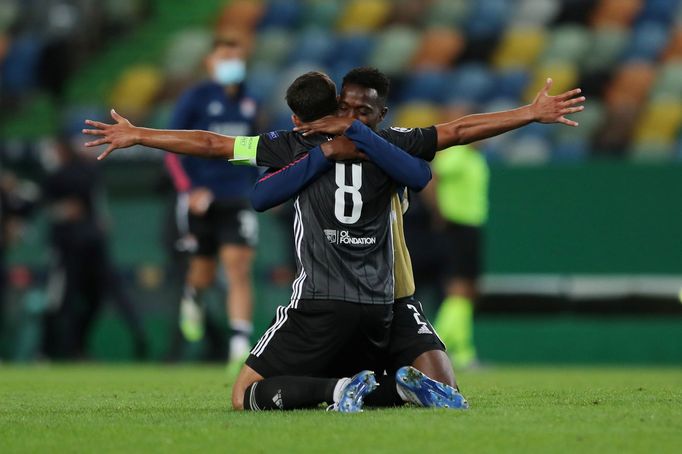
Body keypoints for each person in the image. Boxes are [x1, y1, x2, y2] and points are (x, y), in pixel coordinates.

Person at [82, 69, 585, 410]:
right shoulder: (384, 144)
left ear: (378, 114)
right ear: (338, 105)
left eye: (362, 111)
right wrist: (528, 114)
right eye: (348, 107)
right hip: (376, 299)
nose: (353, 115)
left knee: (438, 388)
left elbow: (216, 148)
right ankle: (373, 389)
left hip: (359, 299)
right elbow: (454, 134)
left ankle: (350, 388)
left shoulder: (300, 144)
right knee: (435, 383)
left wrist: (140, 135)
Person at [163, 33, 260, 365]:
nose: (231, 64)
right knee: (203, 272)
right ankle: (194, 297)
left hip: (236, 196)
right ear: (209, 62)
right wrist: (188, 190)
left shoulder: (250, 102)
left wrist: (258, 185)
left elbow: (255, 150)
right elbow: (172, 150)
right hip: (200, 197)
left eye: (236, 58)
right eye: (224, 58)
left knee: (238, 267)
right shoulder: (195, 98)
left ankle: (240, 344)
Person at [42, 138, 147, 359]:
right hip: (86, 243)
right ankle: (68, 348)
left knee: (69, 299)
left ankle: (61, 349)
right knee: (86, 298)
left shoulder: (64, 174)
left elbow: (62, 206)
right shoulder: (85, 171)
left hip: (75, 246)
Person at [425, 143, 488, 369]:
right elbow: (432, 176)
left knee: (468, 291)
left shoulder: (475, 158)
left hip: (471, 227)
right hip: (457, 227)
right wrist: (438, 211)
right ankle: (437, 345)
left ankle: (460, 351)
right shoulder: (457, 154)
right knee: (459, 289)